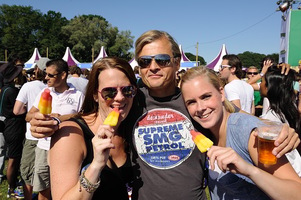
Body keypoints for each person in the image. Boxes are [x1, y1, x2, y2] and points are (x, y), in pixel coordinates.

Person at [29, 30, 300, 200]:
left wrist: (281, 129)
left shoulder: (192, 100)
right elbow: (94, 112)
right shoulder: (133, 100)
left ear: (176, 62)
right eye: (145, 62)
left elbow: (234, 113)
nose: (153, 67)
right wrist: (51, 120)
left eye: (161, 60)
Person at [180, 66, 301, 200]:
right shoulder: (204, 131)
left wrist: (249, 170)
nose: (201, 108)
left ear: (221, 93)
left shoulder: (247, 133)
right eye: (191, 102)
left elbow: (297, 193)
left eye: (206, 97)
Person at [49, 57, 137, 199]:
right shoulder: (70, 134)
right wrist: (96, 165)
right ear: (95, 95)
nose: (120, 98)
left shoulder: (132, 127)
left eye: (127, 90)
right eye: (109, 92)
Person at [26, 58, 84, 200]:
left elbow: (83, 118)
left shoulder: (78, 95)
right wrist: (39, 116)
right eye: (46, 74)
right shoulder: (44, 93)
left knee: (66, 190)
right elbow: (28, 116)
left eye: (50, 75)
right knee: (43, 190)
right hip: (44, 147)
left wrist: (60, 118)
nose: (46, 78)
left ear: (63, 75)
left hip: (67, 150)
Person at [13, 57, 49, 199]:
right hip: (50, 137)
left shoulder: (29, 86)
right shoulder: (53, 88)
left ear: (37, 69)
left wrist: (29, 113)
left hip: (33, 136)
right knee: (45, 174)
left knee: (27, 171)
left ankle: (28, 197)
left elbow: (17, 110)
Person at [260, 66, 301, 173]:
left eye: (262, 81)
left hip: (288, 171)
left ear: (269, 87)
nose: (260, 84)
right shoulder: (289, 107)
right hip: (296, 165)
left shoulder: (270, 118)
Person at [0, 61, 26, 198]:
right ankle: (12, 187)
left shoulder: (5, 89)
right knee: (13, 159)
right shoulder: (12, 91)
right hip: (14, 126)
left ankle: (12, 184)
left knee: (13, 157)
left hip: (8, 125)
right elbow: (19, 110)